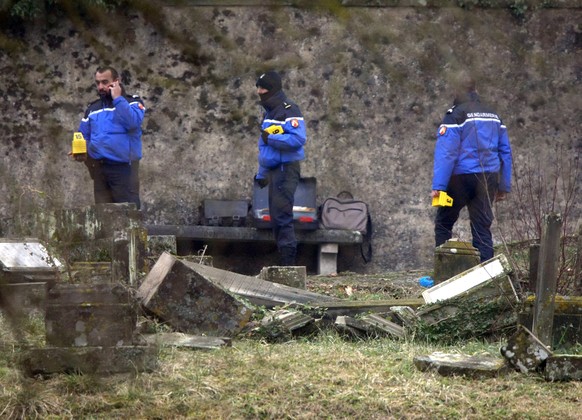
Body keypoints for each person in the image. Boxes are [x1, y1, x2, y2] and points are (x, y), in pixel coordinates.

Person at [431, 75, 513, 262]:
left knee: (444, 223)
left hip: (459, 180)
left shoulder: (455, 115)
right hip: (487, 178)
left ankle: (444, 272)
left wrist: (439, 186)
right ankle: (487, 275)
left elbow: (447, 153)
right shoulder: (493, 115)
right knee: (481, 227)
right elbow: (505, 152)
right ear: (475, 89)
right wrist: (504, 186)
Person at [254, 71, 307, 266]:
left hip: (287, 169)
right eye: (258, 87)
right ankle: (284, 264)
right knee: (276, 218)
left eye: (263, 87)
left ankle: (289, 267)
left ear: (273, 88)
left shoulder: (289, 109)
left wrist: (272, 138)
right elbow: (265, 148)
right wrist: (262, 174)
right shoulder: (269, 113)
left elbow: (298, 139)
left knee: (282, 217)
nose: (259, 91)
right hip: (275, 171)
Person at [74, 66, 145, 209]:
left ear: (116, 82)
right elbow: (83, 135)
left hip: (124, 169)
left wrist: (118, 98)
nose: (101, 87)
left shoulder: (132, 103)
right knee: (103, 217)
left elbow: (132, 123)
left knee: (128, 215)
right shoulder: (93, 109)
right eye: (98, 83)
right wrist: (81, 152)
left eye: (105, 82)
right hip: (99, 169)